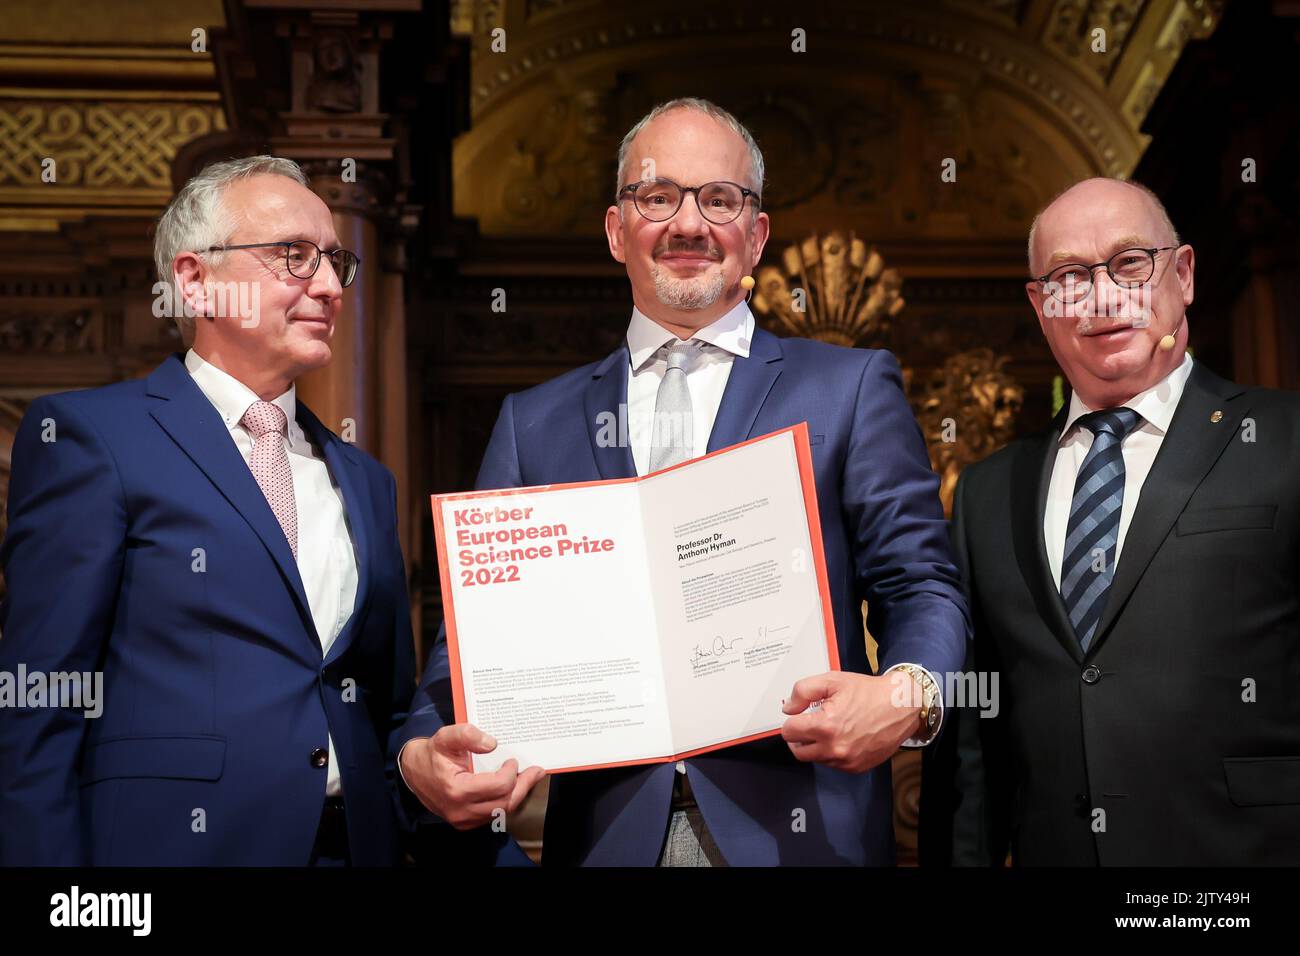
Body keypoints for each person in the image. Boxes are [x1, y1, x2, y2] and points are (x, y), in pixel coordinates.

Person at [397, 98, 969, 866]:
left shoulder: (850, 388)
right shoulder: (532, 424)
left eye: (720, 199)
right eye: (658, 196)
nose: (689, 224)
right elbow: (472, 642)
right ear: (616, 230)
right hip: (601, 837)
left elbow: (923, 584)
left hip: (803, 835)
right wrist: (415, 751)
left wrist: (906, 696)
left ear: (756, 235)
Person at [0, 155, 415, 866]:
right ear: (195, 280)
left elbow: (385, 704)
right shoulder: (95, 439)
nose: (327, 286)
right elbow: (40, 702)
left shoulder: (366, 480)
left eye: (336, 263)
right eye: (293, 256)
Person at [921, 177, 1300, 866]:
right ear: (1040, 306)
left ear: (1182, 275)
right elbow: (974, 740)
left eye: (1129, 262)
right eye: (1068, 276)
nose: (1101, 296)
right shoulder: (986, 493)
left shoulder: (1284, 440)